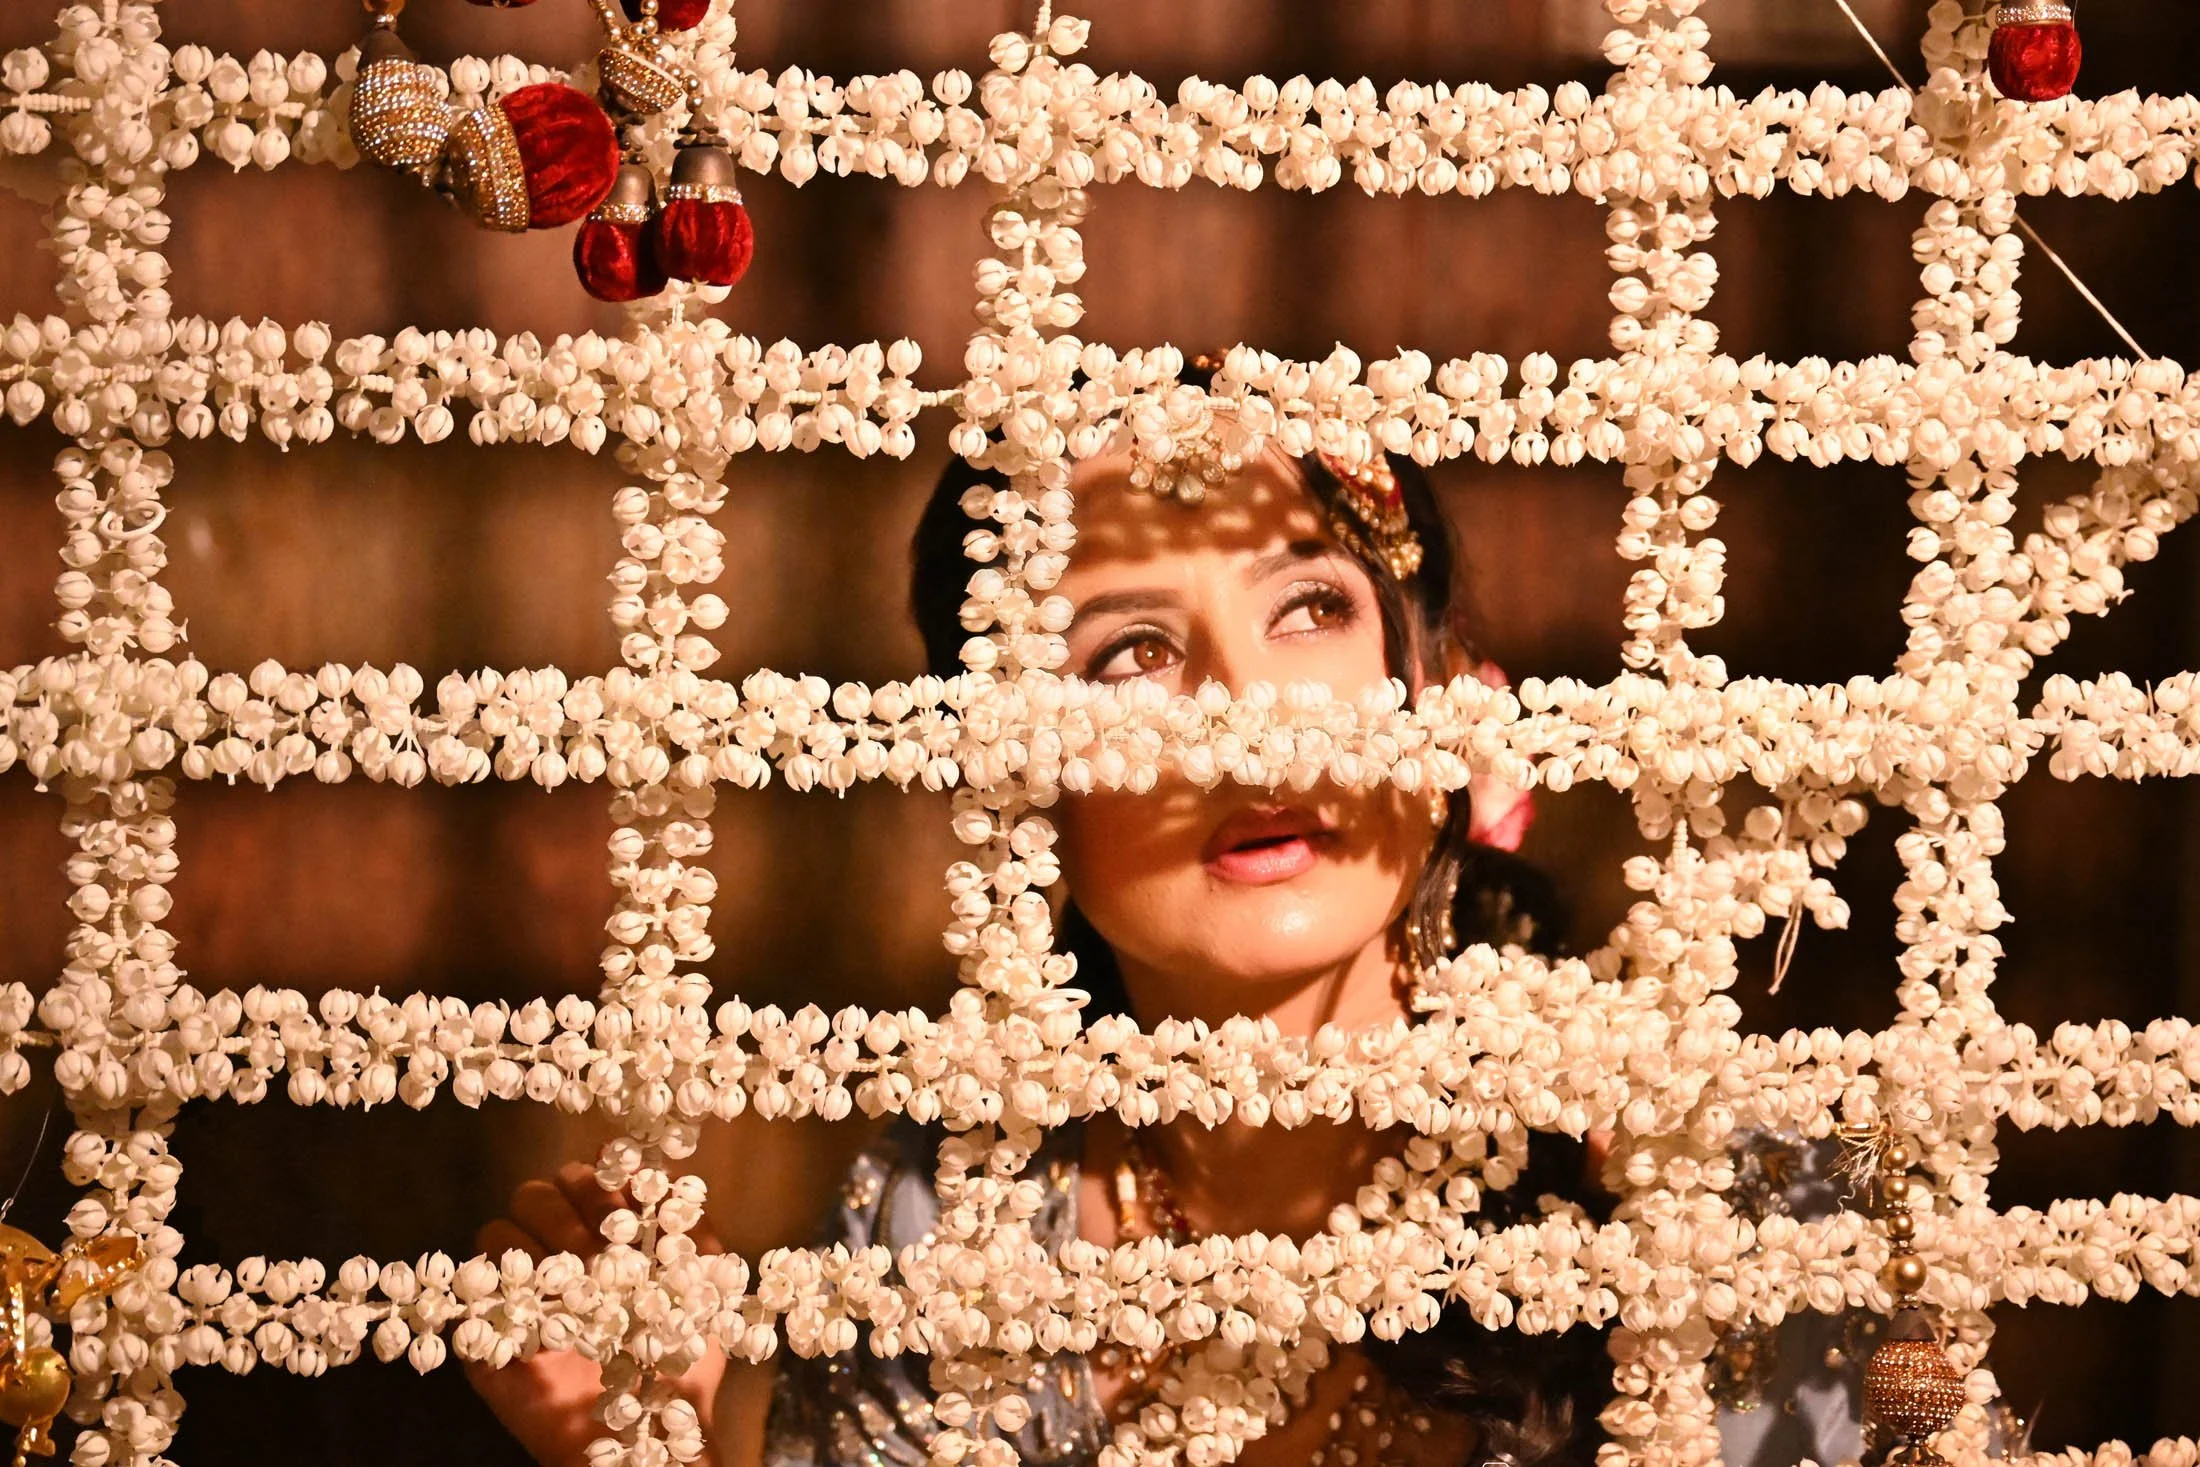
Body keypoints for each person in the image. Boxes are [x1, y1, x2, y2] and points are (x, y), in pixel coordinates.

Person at [465, 379, 1851, 1467]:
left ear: (1436, 687)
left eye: (1310, 606)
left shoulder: (1682, 1165)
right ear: (1014, 789)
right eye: (1132, 651)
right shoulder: (951, 1214)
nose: (1249, 739)